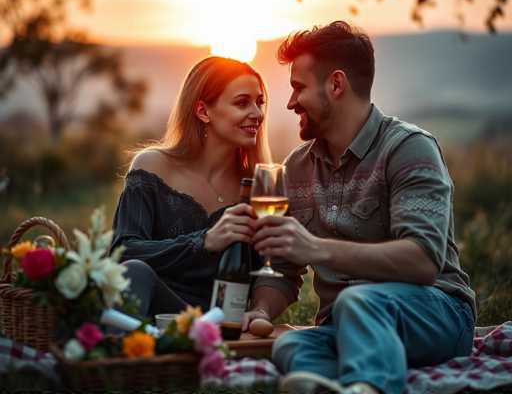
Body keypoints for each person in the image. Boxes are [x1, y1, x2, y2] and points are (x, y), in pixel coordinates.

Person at [244, 21, 476, 394]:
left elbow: (422, 261)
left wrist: (318, 248)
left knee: (358, 303)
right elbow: (285, 268)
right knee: (292, 345)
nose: (289, 103)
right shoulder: (296, 167)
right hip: (343, 325)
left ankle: (371, 386)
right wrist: (261, 310)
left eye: (298, 87)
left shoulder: (408, 148)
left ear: (335, 85)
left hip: (437, 314)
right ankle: (343, 385)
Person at [111, 56, 271, 318]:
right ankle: (120, 359)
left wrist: (262, 309)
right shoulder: (152, 166)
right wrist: (204, 241)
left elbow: (275, 269)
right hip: (153, 316)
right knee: (135, 272)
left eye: (259, 102)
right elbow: (123, 252)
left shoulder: (260, 188)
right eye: (243, 103)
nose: (257, 113)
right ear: (203, 111)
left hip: (221, 323)